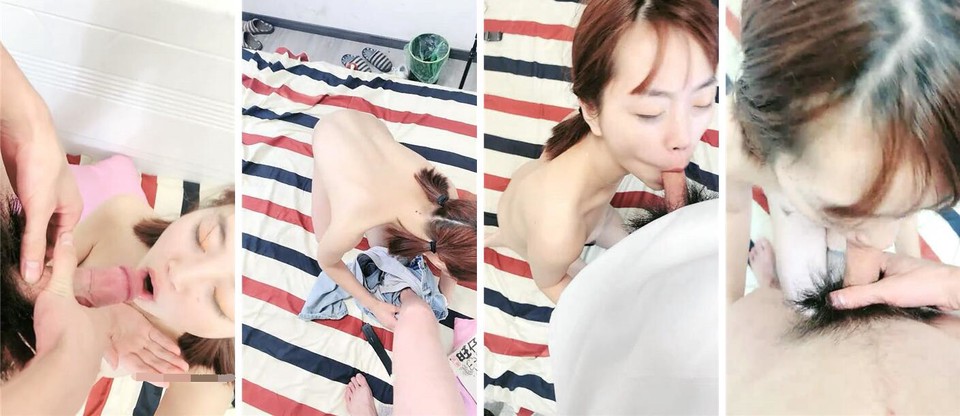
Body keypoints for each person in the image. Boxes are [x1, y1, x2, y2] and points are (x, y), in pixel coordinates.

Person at [726, 0, 960, 304]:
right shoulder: (741, 152)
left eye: (911, 208)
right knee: (800, 291)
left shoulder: (903, 171)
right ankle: (773, 283)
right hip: (791, 203)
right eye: (844, 212)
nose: (882, 241)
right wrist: (729, 308)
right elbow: (732, 211)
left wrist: (914, 261)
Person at [487, 0, 718, 304]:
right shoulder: (557, 232)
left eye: (702, 102)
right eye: (650, 112)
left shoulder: (585, 134)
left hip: (595, 215)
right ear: (591, 110)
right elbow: (550, 282)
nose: (684, 139)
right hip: (537, 237)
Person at [309, 109, 473, 415]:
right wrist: (373, 303)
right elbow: (327, 262)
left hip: (373, 128)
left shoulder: (446, 193)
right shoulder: (353, 218)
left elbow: (451, 252)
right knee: (323, 236)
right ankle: (322, 161)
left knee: (384, 242)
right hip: (329, 133)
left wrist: (445, 289)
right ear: (438, 260)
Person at [728, 248, 960, 415]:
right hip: (931, 331)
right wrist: (951, 283)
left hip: (769, 371)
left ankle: (770, 286)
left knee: (744, 326)